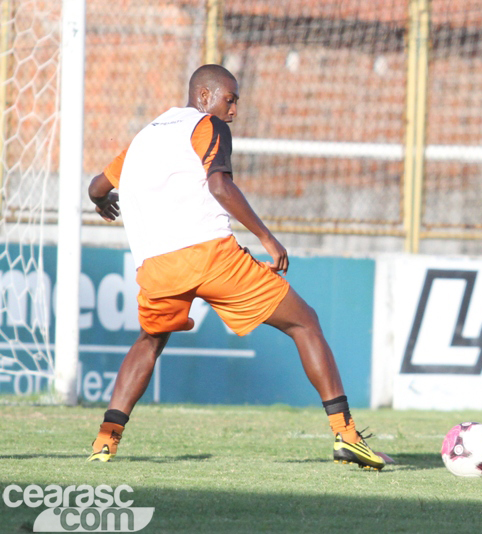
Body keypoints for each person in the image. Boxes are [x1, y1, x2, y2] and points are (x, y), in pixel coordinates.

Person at [86, 64, 387, 470]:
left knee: (150, 341)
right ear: (205, 96)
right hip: (210, 257)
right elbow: (218, 185)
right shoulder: (207, 125)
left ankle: (106, 441)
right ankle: (347, 436)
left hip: (156, 267)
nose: (234, 110)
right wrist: (267, 237)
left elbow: (97, 187)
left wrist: (103, 204)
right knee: (305, 323)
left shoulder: (146, 136)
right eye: (231, 99)